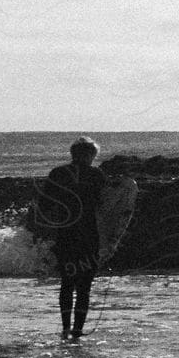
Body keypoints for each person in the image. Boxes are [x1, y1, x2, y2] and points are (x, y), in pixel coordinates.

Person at [38, 137, 107, 341]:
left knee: (67, 283)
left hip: (66, 234)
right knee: (85, 286)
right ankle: (77, 331)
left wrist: (47, 231)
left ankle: (65, 327)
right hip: (90, 235)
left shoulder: (58, 174)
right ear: (91, 155)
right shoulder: (96, 175)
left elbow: (44, 205)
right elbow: (107, 206)